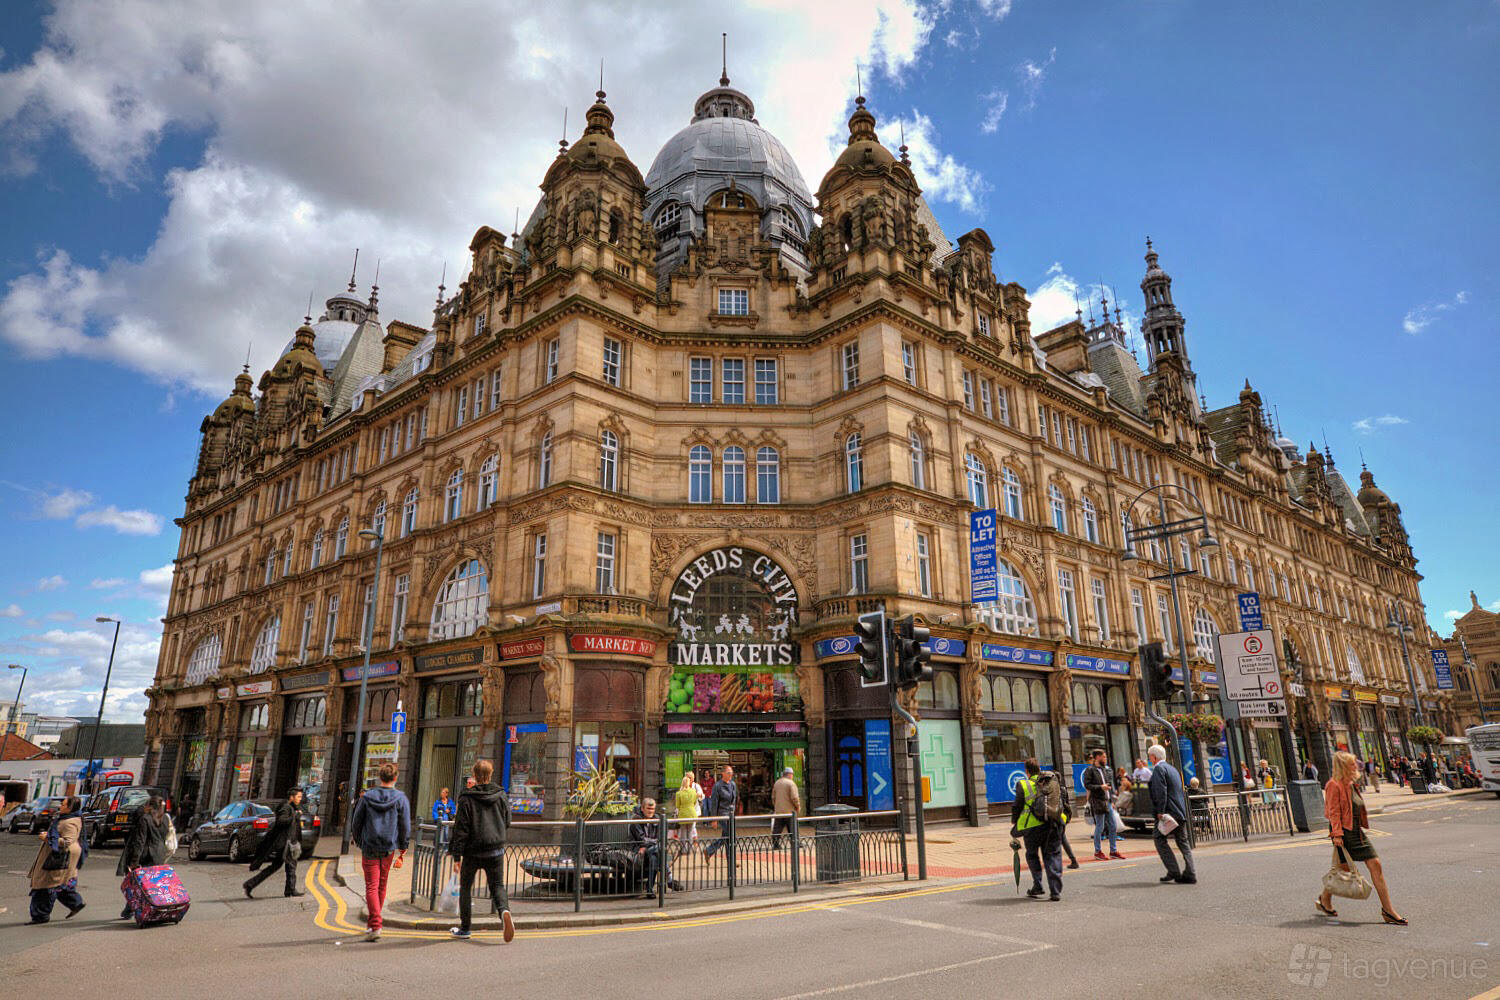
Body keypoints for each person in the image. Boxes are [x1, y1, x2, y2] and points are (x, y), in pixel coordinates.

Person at [1317, 751, 1405, 924]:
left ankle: (1324, 899)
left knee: (1348, 868)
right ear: (1343, 766)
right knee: (1366, 865)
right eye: (1351, 763)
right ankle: (1388, 910)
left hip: (1355, 829)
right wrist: (1336, 834)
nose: (1356, 766)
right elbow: (1333, 812)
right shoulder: (1333, 785)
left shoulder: (1350, 783)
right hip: (1345, 831)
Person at [448, 759, 513, 943]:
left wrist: (456, 855)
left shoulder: (467, 798)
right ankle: (504, 912)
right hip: (495, 850)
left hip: (472, 852)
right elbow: (507, 820)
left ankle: (465, 928)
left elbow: (461, 829)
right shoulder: (500, 795)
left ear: (474, 776)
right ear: (490, 775)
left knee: (466, 888)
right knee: (497, 886)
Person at [349, 764, 411, 941]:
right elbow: (405, 825)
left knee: (371, 886)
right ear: (395, 778)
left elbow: (356, 823)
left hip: (369, 846)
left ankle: (374, 924)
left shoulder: (367, 797)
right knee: (382, 885)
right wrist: (403, 846)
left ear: (379, 777)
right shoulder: (400, 798)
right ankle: (375, 924)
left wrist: (361, 842)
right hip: (388, 848)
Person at [1010, 758, 1071, 901]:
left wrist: (1014, 821)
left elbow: (1017, 806)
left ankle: (1037, 885)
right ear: (1039, 769)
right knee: (1053, 855)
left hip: (1032, 828)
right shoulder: (1051, 781)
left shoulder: (1024, 785)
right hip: (1053, 823)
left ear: (1027, 771)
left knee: (1032, 855)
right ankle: (1055, 891)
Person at [28, 796, 85, 924]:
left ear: (70, 808)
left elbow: (67, 841)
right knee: (57, 885)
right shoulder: (66, 818)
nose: (61, 806)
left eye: (64, 805)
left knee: (47, 886)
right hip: (58, 857)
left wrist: (47, 838)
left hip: (58, 858)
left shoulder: (70, 822)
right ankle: (75, 903)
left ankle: (41, 915)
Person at [243, 788, 306, 899]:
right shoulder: (286, 807)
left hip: (288, 843)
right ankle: (290, 890)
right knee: (291, 866)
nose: (300, 799)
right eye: (298, 797)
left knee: (276, 866)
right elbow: (281, 821)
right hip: (285, 844)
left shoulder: (291, 807)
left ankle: (250, 884)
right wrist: (295, 816)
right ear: (292, 797)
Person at [1147, 744, 1195, 885]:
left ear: (1154, 757)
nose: (1149, 759)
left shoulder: (1159, 769)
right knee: (1183, 842)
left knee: (1159, 839)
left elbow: (1161, 792)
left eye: (1150, 756)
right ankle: (1191, 872)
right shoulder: (1172, 769)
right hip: (1180, 811)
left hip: (1168, 812)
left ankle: (1173, 870)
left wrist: (1160, 811)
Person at [117, 795, 170, 919]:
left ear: (150, 807)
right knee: (152, 884)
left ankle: (131, 909)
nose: (144, 808)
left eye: (146, 805)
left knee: (139, 884)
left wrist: (134, 861)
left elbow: (140, 841)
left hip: (147, 854)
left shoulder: (145, 819)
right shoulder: (165, 819)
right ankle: (151, 908)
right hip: (159, 854)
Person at [628, 797, 681, 897]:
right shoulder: (636, 819)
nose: (650, 811)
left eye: (652, 809)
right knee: (657, 851)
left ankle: (649, 890)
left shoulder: (657, 818)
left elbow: (661, 838)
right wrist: (651, 843)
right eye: (648, 809)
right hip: (638, 850)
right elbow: (642, 839)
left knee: (654, 857)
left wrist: (651, 844)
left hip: (651, 850)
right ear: (642, 808)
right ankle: (669, 879)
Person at [1083, 749, 1124, 860]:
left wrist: (1111, 799)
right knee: (1100, 827)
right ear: (1097, 758)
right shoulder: (1090, 770)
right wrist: (1100, 787)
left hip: (1107, 801)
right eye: (1103, 757)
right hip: (1097, 802)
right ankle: (1097, 851)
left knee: (1113, 826)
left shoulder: (1104, 770)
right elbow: (1087, 785)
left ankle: (1113, 851)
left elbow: (1108, 786)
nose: (1105, 759)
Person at [700, 765, 737, 861]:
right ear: (723, 773)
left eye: (731, 772)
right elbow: (714, 803)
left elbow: (734, 799)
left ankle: (709, 851)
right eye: (729, 773)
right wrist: (714, 819)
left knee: (728, 836)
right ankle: (731, 859)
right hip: (722, 813)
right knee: (730, 835)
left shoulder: (733, 784)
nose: (731, 774)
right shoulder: (717, 786)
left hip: (731, 813)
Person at [771, 767, 801, 849]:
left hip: (779, 811)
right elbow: (794, 797)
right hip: (790, 811)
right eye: (792, 774)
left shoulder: (777, 783)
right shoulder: (791, 783)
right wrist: (798, 806)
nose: (792, 776)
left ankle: (776, 844)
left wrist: (776, 806)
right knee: (793, 828)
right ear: (789, 774)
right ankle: (795, 843)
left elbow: (773, 797)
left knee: (777, 829)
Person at [672, 771, 702, 850]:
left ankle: (684, 849)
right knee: (690, 831)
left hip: (683, 814)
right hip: (692, 812)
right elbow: (695, 801)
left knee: (683, 832)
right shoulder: (693, 792)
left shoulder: (680, 792)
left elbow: (677, 805)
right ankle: (690, 848)